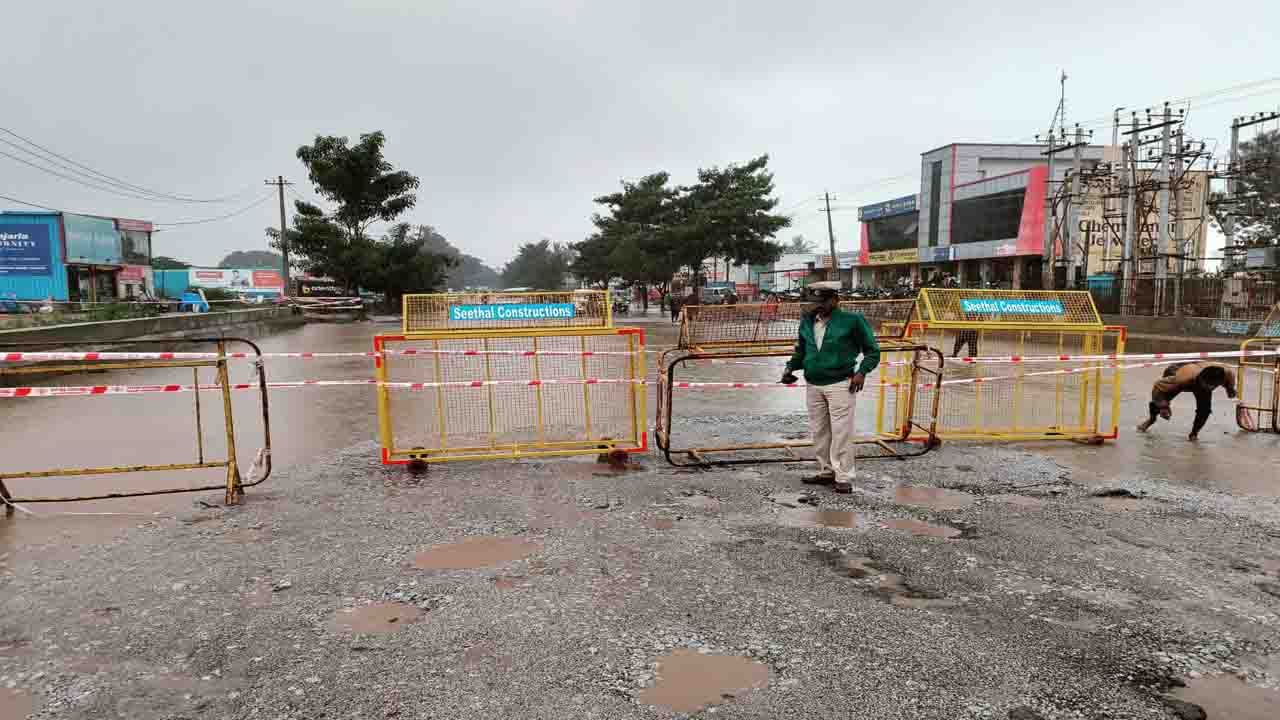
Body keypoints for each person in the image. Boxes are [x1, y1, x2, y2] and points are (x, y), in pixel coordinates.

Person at [780, 281, 880, 493]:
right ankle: (826, 471)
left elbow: (872, 351)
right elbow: (802, 351)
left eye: (822, 302)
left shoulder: (852, 321)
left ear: (835, 300)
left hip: (840, 384)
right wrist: (790, 368)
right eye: (815, 302)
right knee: (820, 431)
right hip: (813, 384)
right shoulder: (807, 321)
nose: (818, 306)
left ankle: (843, 477)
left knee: (841, 432)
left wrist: (862, 372)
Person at [1137, 362, 1237, 441]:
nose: (1208, 388)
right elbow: (1158, 386)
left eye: (1212, 387)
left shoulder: (1227, 374)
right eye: (1206, 385)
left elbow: (1230, 384)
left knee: (1205, 410)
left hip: (1198, 370)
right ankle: (1151, 420)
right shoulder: (1182, 378)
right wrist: (1163, 405)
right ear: (1201, 379)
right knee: (1158, 403)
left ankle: (1193, 434)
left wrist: (1230, 389)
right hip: (1177, 371)